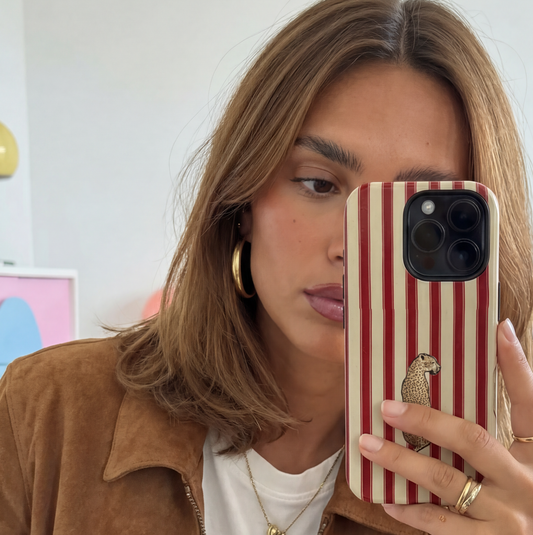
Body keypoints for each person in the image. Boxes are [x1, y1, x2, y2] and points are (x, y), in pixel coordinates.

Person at [1, 0, 533, 533]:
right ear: (243, 203)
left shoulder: (494, 487)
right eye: (319, 184)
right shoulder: (45, 412)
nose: (353, 249)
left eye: (414, 214)